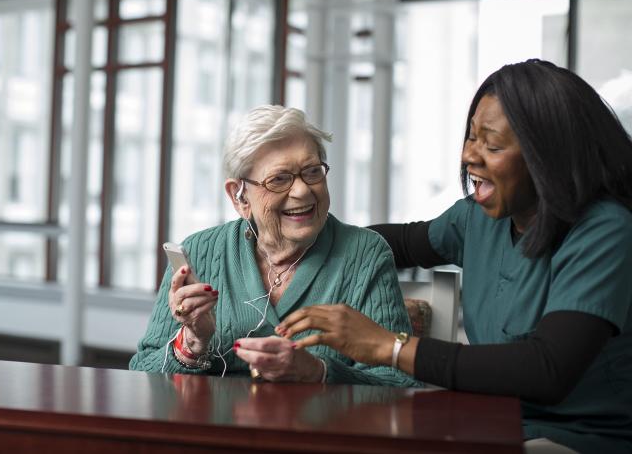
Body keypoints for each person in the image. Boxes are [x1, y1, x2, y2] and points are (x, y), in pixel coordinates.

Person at [278, 60, 632, 453]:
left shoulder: (605, 230)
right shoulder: (477, 219)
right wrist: (284, 240)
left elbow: (547, 369)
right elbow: (398, 242)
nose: (468, 156)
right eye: (471, 138)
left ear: (547, 154)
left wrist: (388, 346)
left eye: (492, 145)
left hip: (583, 440)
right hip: (493, 426)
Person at [130, 105, 417, 386]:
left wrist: (317, 373)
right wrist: (192, 344)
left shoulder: (364, 254)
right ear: (239, 197)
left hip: (317, 431)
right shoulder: (200, 252)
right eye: (279, 179)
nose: (303, 190)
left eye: (313, 172)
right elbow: (141, 374)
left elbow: (399, 384)